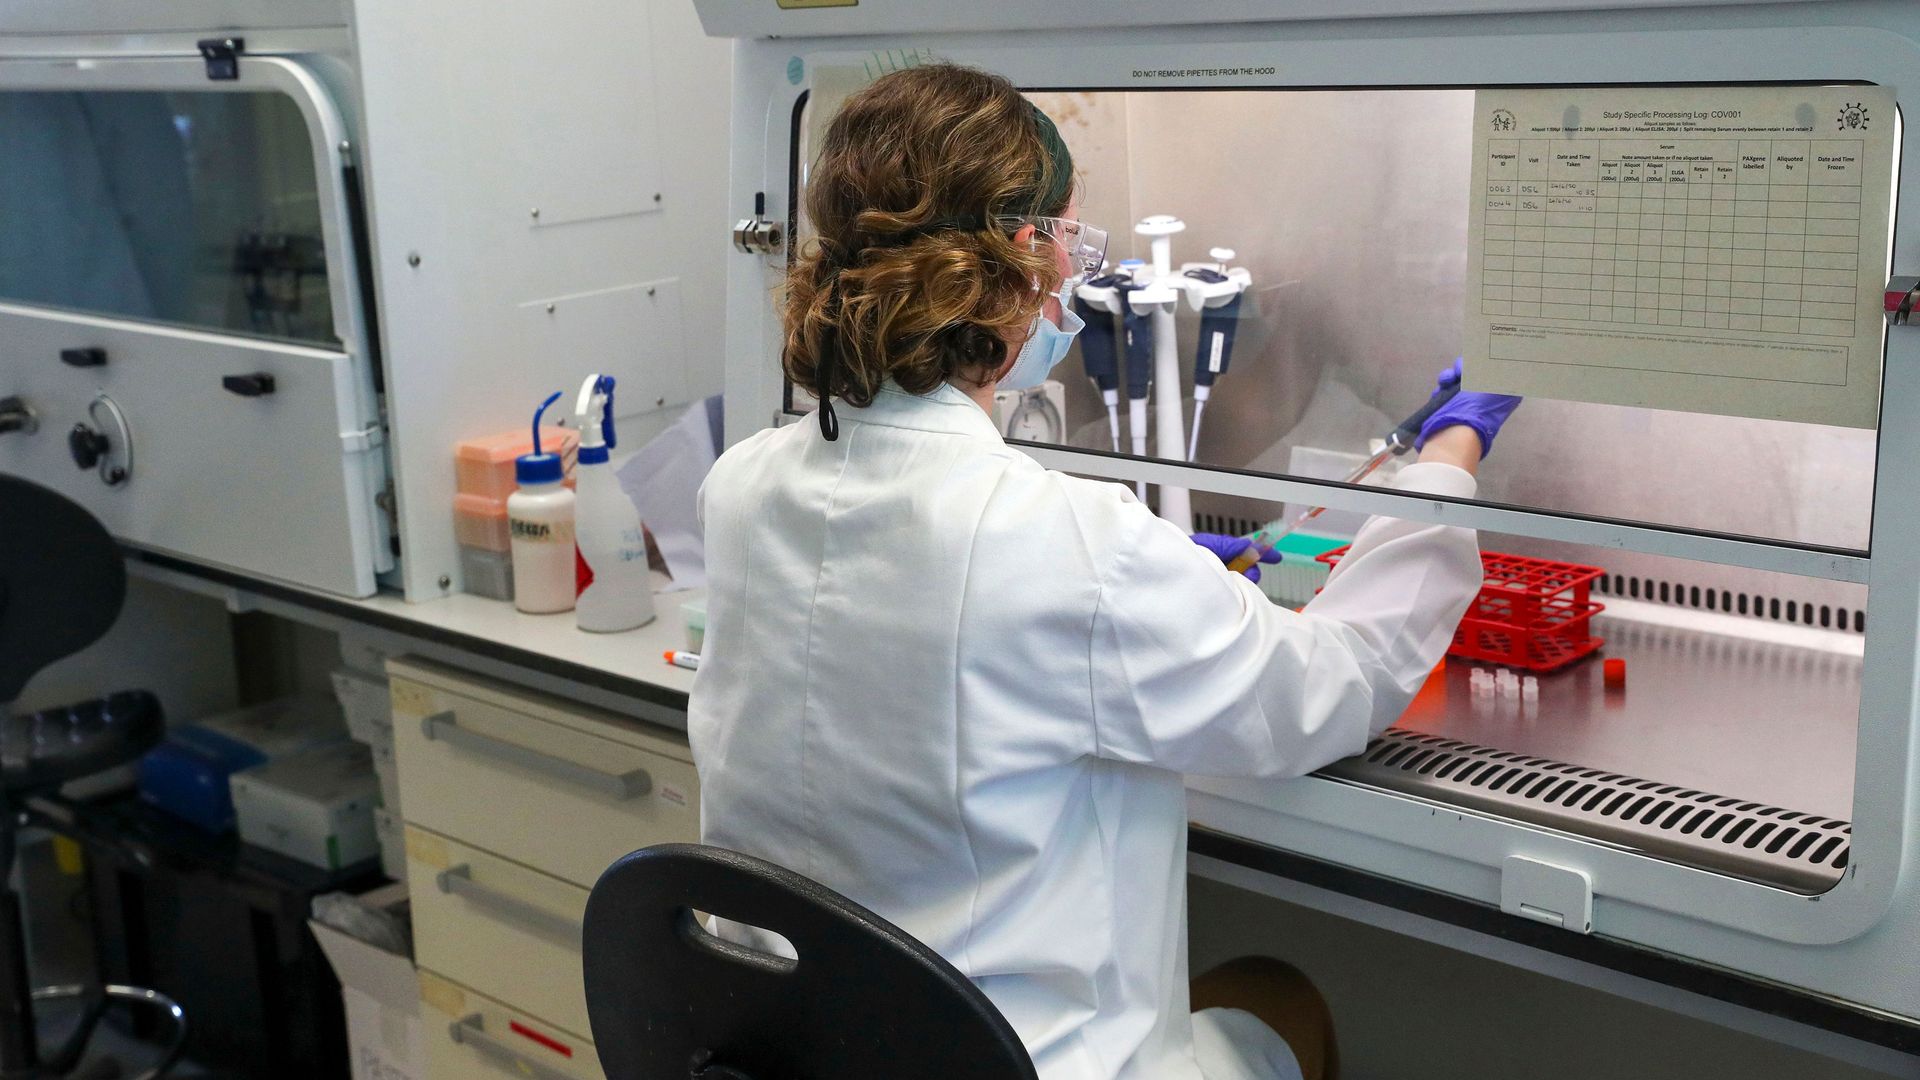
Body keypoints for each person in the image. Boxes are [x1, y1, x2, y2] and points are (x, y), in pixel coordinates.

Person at [689, 64, 1519, 1080]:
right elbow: (1322, 689)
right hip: (1031, 1066)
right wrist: (1444, 470)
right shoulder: (1057, 541)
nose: (1077, 282)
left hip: (813, 1061)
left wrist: (1153, 588)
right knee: (1280, 998)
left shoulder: (740, 489)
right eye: (1073, 243)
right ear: (1022, 260)